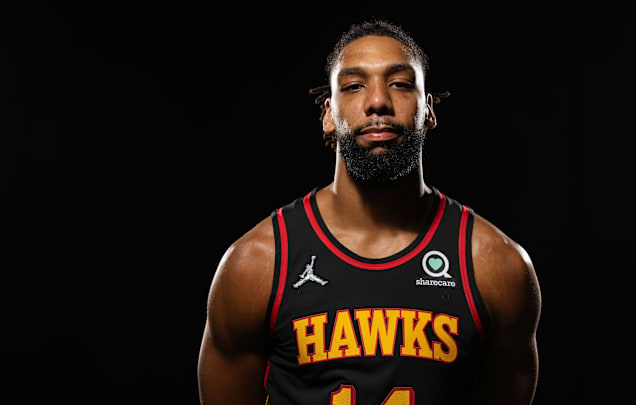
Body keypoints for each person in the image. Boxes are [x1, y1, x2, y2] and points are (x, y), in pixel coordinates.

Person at [197, 20, 541, 405]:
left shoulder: (496, 265)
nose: (378, 101)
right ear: (328, 113)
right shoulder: (256, 264)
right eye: (353, 86)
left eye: (400, 83)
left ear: (428, 109)